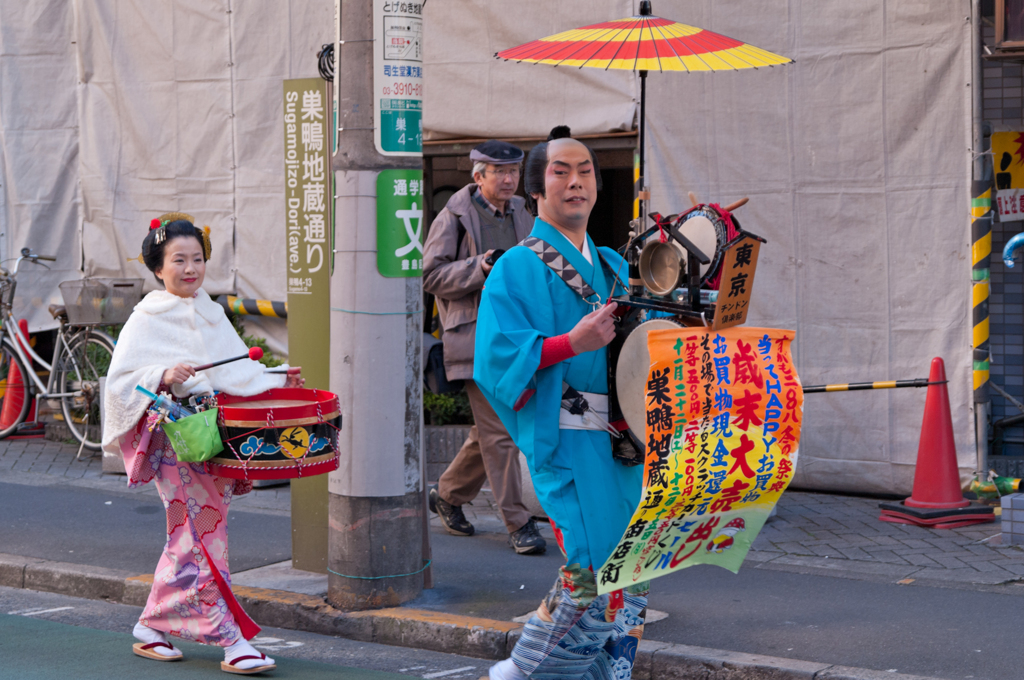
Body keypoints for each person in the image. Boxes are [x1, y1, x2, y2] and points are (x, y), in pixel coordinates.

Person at [474, 131, 648, 679]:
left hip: (627, 442)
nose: (576, 181)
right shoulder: (515, 269)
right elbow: (498, 362)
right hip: (568, 436)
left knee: (632, 569)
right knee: (592, 568)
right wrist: (571, 344)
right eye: (560, 171)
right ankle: (526, 670)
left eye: (586, 171)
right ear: (535, 190)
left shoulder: (616, 264)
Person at [101, 214, 303, 675]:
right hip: (176, 441)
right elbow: (120, 384)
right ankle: (230, 640)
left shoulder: (212, 311)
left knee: (191, 535)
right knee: (200, 535)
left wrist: (275, 377)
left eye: (197, 258)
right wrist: (161, 374)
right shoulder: (146, 318)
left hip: (214, 442)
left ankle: (151, 628)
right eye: (179, 260)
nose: (190, 268)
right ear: (157, 267)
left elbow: (233, 373)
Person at [423, 140, 546, 555]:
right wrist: (480, 267)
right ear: (479, 176)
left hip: (517, 338)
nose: (510, 179)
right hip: (475, 340)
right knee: (502, 432)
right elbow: (431, 275)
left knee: (489, 431)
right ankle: (517, 521)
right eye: (500, 172)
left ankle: (448, 494)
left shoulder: (524, 214)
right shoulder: (454, 216)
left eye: (514, 171)